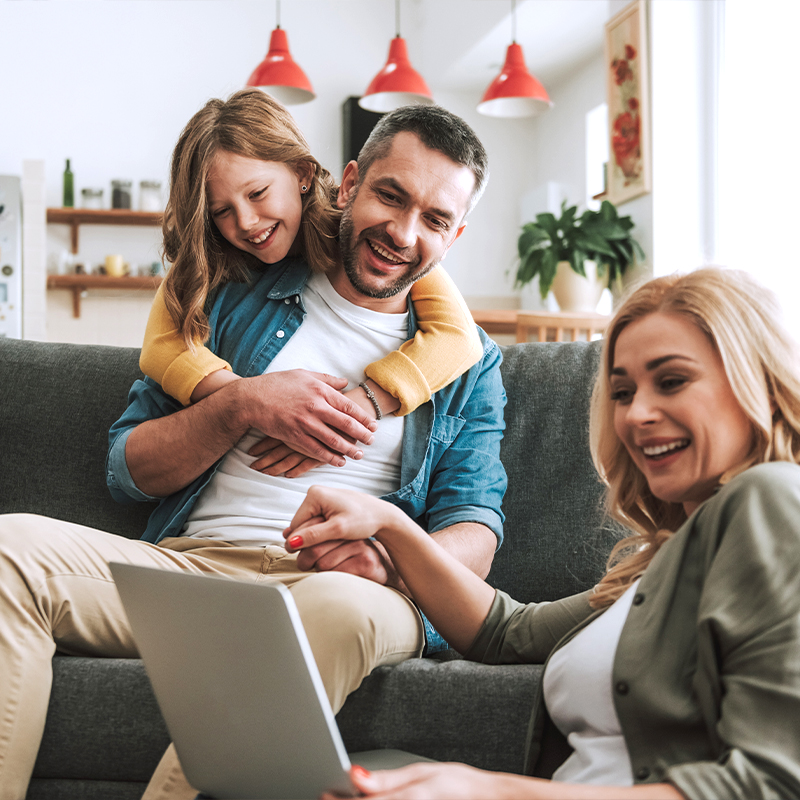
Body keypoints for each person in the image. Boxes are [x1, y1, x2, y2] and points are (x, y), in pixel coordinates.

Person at [0, 97, 507, 800]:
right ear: (348, 182)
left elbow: (475, 530)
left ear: (455, 235)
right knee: (8, 548)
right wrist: (240, 403)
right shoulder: (236, 288)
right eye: (390, 196)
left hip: (351, 589)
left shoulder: (468, 362)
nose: (403, 230)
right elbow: (128, 469)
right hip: (198, 571)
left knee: (338, 607)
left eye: (435, 219)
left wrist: (393, 558)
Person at [284, 267, 800, 800]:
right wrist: (389, 524)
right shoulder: (664, 558)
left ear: (752, 380)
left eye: (671, 381)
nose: (637, 414)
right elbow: (507, 633)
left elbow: (770, 787)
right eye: (622, 392)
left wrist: (491, 793)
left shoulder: (770, 499)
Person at [139, 89, 485, 469]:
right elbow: (161, 349)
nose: (246, 222)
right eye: (222, 210)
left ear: (302, 175)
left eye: (258, 193)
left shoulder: (363, 233)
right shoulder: (212, 261)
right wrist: (251, 400)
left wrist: (356, 407)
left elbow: (459, 338)